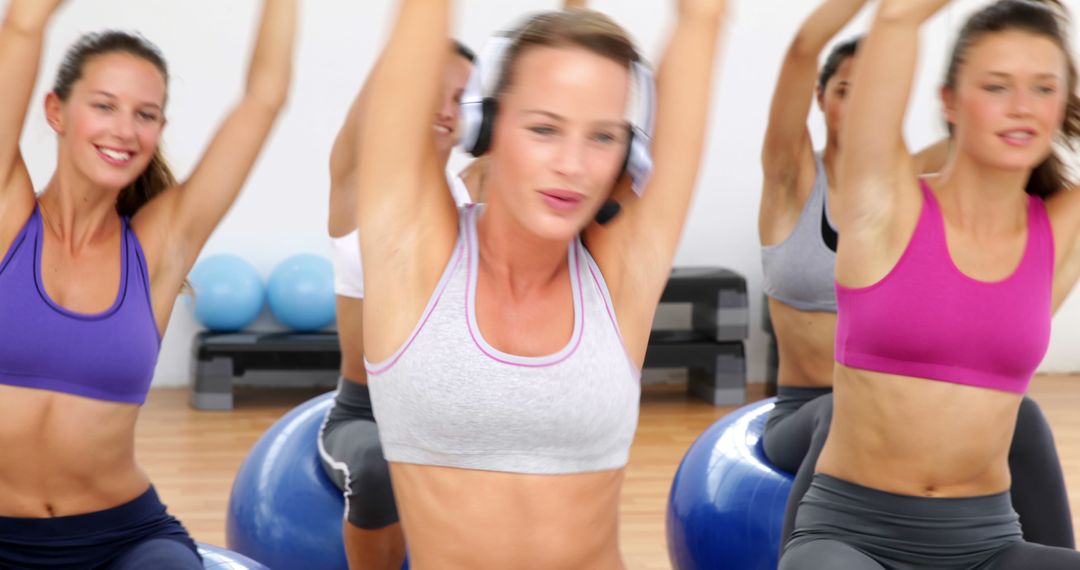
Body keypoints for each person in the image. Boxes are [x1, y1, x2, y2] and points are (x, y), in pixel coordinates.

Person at [352, 0, 727, 567]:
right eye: (545, 128)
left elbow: (703, 17)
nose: (573, 165)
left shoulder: (619, 277)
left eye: (602, 137)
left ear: (629, 152)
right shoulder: (413, 253)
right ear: (487, 127)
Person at [759, 0, 1073, 550]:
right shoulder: (883, 203)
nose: (1022, 107)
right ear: (949, 101)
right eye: (997, 86)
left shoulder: (1060, 228)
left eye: (1043, 89)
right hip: (852, 532)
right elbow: (897, 19)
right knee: (830, 410)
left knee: (1026, 417)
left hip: (987, 542)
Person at [0, 1, 296, 567]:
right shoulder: (7, 219)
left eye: (146, 114)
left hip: (121, 539)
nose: (124, 130)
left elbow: (265, 98)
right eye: (105, 106)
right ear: (56, 111)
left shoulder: (158, 248)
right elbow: (21, 23)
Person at [318, 38, 476, 570]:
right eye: (434, 90)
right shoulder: (363, 187)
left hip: (448, 413)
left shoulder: (470, 194)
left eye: (459, 97)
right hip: (367, 414)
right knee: (378, 468)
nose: (446, 109)